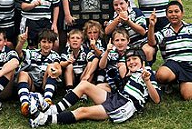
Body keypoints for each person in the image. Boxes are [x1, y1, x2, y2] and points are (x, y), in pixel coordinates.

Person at [28, 48, 161, 127]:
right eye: (129, 60)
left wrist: (148, 81)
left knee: (82, 111)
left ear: (143, 62)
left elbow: (156, 100)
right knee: (85, 85)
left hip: (125, 105)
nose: (131, 62)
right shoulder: (131, 73)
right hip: (116, 97)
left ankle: (44, 120)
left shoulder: (147, 73)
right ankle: (52, 109)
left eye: (135, 59)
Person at [148, 1, 192, 100]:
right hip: (173, 64)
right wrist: (151, 25)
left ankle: (184, 83)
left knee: (189, 96)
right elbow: (152, 42)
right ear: (166, 15)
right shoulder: (164, 31)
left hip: (191, 66)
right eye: (170, 12)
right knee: (161, 75)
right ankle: (170, 81)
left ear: (182, 13)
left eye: (176, 11)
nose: (173, 14)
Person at [16, 28, 62, 117]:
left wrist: (57, 71)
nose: (46, 45)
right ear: (39, 43)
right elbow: (18, 54)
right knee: (23, 74)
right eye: (44, 42)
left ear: (53, 44)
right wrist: (21, 42)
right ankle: (25, 103)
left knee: (51, 68)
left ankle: (47, 100)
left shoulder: (54, 55)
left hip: (46, 83)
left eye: (49, 42)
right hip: (32, 83)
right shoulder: (31, 53)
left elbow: (57, 65)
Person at [105, 0, 156, 65]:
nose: (119, 7)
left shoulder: (136, 12)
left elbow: (142, 31)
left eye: (121, 4)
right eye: (116, 5)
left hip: (141, 42)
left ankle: (147, 69)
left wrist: (128, 21)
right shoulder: (114, 17)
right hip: (124, 45)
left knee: (148, 50)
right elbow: (107, 31)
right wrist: (118, 18)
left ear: (127, 3)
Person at [98, 27, 130, 92]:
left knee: (122, 67)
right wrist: (107, 51)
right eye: (117, 40)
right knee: (98, 87)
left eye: (123, 40)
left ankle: (125, 90)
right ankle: (116, 92)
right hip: (112, 81)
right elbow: (101, 66)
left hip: (127, 79)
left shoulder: (131, 52)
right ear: (113, 42)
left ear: (128, 41)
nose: (120, 43)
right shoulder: (111, 51)